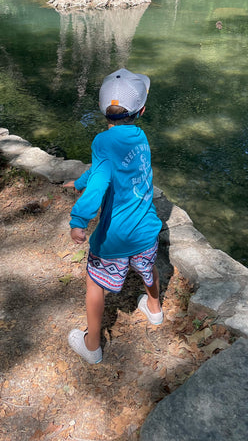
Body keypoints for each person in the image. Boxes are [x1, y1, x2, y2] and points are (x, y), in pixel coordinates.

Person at [64, 68, 163, 364]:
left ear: (101, 109)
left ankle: (92, 345)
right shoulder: (139, 137)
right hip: (147, 230)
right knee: (149, 267)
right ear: (141, 111)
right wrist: (79, 182)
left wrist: (79, 219)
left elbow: (100, 181)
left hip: (114, 238)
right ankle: (155, 309)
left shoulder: (103, 142)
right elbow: (103, 170)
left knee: (95, 284)